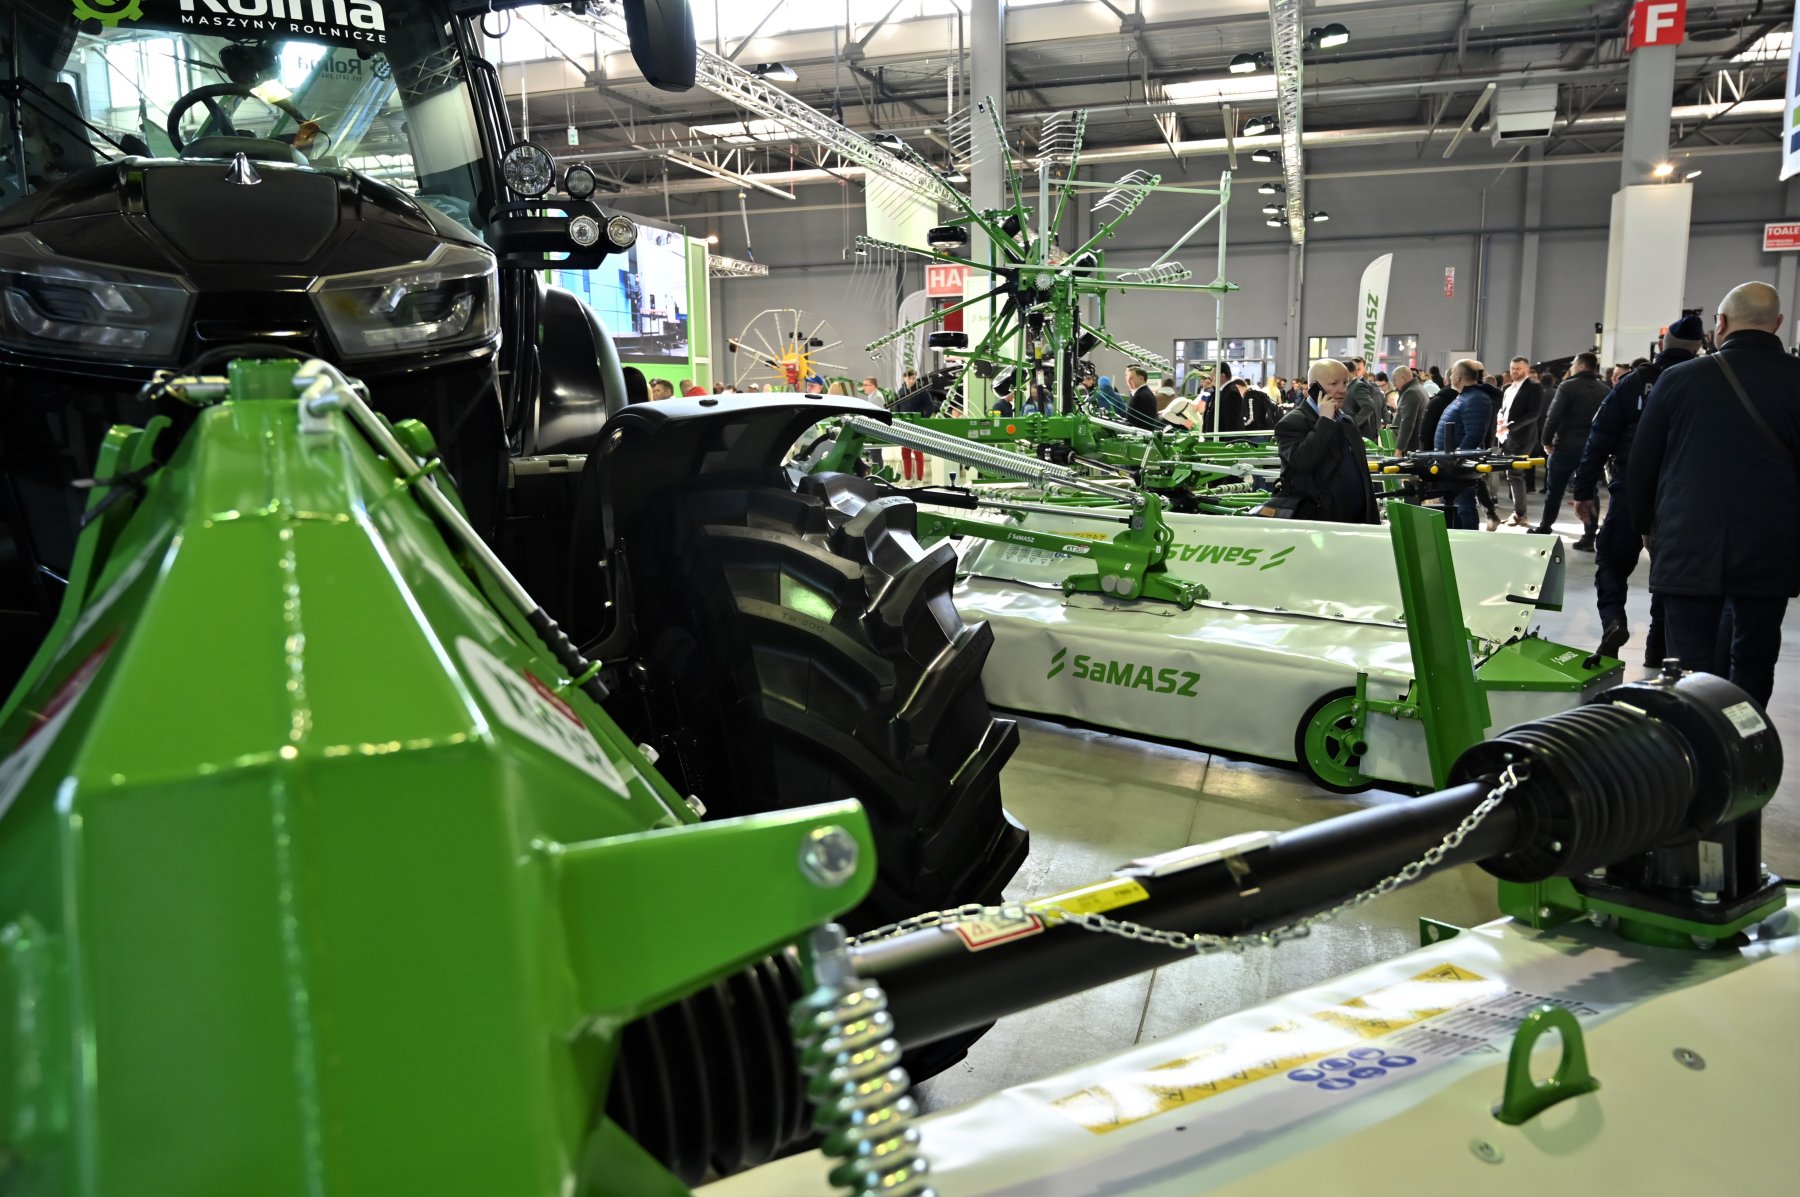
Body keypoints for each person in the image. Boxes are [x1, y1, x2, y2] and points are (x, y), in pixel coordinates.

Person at [1630, 282, 1798, 707]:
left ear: (1720, 324)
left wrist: (1646, 527)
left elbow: (1643, 463)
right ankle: (1746, 736)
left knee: (1688, 666)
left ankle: (1697, 740)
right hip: (1772, 542)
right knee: (1755, 658)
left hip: (1689, 538)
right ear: (1778, 323)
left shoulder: (1679, 379)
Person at [1574, 315, 1703, 664]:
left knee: (1612, 561)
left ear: (1661, 345)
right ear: (1698, 347)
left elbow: (1600, 436)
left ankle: (1614, 620)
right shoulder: (1703, 382)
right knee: (1668, 571)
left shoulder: (1636, 382)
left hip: (1630, 488)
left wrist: (1583, 490)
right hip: (1681, 494)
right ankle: (1657, 653)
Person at [1272, 359, 1380, 523]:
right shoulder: (1291, 423)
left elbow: (1362, 471)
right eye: (1334, 383)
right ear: (1313, 388)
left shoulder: (1347, 421)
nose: (1342, 390)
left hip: (1357, 519)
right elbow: (1303, 461)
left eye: (1345, 383)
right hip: (1320, 520)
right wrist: (1325, 421)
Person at [1530, 352, 1610, 545]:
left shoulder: (1567, 386)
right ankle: (1589, 535)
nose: (1571, 367)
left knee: (1554, 491)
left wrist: (1546, 441)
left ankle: (1545, 526)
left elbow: (1553, 416)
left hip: (1565, 446)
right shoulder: (1605, 389)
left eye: (1573, 364)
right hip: (1592, 449)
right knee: (1590, 490)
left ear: (1581, 366)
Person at [1433, 358, 1499, 529]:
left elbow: (1474, 434)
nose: (1450, 377)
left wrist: (1458, 459)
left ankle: (1468, 538)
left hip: (1458, 466)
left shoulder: (1476, 398)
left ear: (1458, 376)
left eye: (1453, 374)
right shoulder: (1468, 396)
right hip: (1451, 463)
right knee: (1458, 507)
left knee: (1465, 508)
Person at [1496, 356, 1546, 526]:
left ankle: (1520, 514)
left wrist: (1510, 426)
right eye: (1512, 368)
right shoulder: (1508, 388)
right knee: (1511, 475)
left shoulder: (1534, 387)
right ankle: (1518, 513)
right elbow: (1504, 409)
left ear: (1526, 369)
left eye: (1518, 368)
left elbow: (1534, 413)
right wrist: (1500, 419)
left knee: (1515, 474)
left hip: (1523, 437)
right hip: (1506, 437)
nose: (1514, 371)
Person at [1344, 357, 1384, 438]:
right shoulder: (1348, 385)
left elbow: (1370, 407)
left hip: (1360, 432)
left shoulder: (1360, 386)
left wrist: (1354, 423)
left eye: (1358, 369)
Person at [1391, 366, 1427, 454]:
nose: (1393, 383)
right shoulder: (1419, 388)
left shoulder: (1411, 393)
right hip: (1415, 443)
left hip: (1410, 446)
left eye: (1394, 380)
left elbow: (1407, 422)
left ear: (1403, 378)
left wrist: (1400, 448)